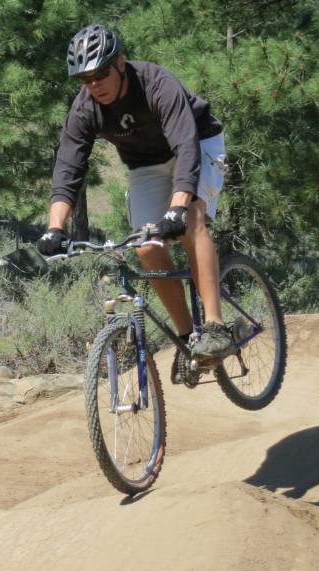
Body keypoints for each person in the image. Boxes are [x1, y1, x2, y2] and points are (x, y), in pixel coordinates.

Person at [36, 23, 232, 360]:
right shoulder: (85, 109)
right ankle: (188, 339)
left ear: (120, 63)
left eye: (100, 73)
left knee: (190, 221)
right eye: (85, 79)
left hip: (197, 144)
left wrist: (178, 207)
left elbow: (186, 147)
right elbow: (68, 169)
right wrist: (54, 228)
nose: (94, 84)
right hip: (146, 164)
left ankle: (215, 327)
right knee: (146, 245)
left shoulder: (156, 83)